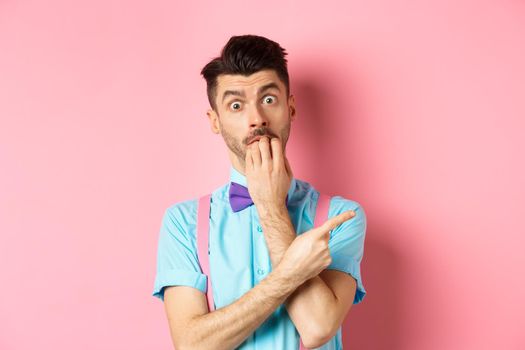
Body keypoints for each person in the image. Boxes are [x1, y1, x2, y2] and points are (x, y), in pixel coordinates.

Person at [152, 34, 367, 350]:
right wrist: (288, 276)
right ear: (215, 120)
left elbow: (318, 326)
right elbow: (192, 344)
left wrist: (271, 207)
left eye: (268, 99)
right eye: (236, 105)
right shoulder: (183, 222)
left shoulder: (340, 216)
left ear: (290, 108)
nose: (257, 119)